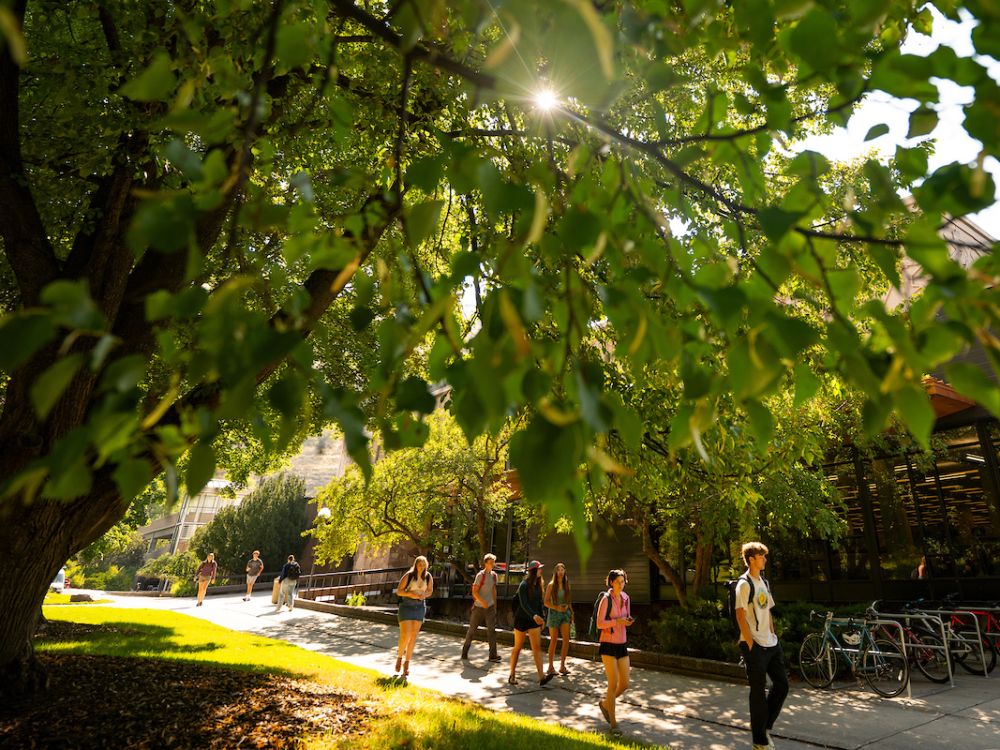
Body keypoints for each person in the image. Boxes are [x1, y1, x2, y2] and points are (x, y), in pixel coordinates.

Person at [735, 542, 788, 750]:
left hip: (771, 643)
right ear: (751, 559)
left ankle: (764, 726)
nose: (765, 559)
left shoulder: (763, 581)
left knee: (782, 685)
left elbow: (768, 611)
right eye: (761, 556)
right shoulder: (744, 584)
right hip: (754, 645)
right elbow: (740, 614)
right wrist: (750, 642)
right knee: (758, 691)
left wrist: (773, 634)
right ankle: (759, 740)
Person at [596, 568, 633, 735]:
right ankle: (613, 724)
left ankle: (605, 704)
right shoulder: (606, 599)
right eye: (618, 581)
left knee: (625, 684)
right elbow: (599, 623)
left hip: (621, 644)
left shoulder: (626, 598)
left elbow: (625, 618)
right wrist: (617, 622)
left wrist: (627, 621)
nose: (621, 584)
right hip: (608, 644)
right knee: (613, 683)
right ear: (611, 582)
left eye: (623, 581)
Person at [509, 560, 555, 687]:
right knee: (517, 647)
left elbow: (539, 604)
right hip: (522, 619)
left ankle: (542, 677)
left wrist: (542, 618)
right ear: (534, 571)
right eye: (539, 569)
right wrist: (534, 616)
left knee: (537, 648)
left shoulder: (539, 585)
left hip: (534, 620)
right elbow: (523, 604)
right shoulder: (523, 585)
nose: (541, 570)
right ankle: (512, 674)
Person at [396, 555, 433, 677]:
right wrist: (410, 594)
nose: (421, 566)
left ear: (426, 566)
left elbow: (430, 590)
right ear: (416, 564)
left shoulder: (428, 577)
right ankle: (399, 657)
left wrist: (424, 595)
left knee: (413, 636)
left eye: (424, 564)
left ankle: (407, 663)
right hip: (406, 606)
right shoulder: (409, 575)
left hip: (419, 607)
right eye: (419, 564)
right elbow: (399, 591)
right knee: (405, 634)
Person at [461, 553, 501, 663]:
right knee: (472, 630)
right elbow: (474, 592)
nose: (492, 564)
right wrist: (482, 602)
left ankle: (493, 655)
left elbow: (493, 590)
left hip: (490, 607)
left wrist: (495, 604)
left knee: (492, 631)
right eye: (490, 562)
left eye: (493, 562)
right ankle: (464, 652)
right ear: (485, 563)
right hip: (479, 608)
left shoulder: (494, 576)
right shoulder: (480, 575)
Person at [544, 562, 573, 675]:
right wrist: (556, 608)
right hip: (554, 614)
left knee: (566, 639)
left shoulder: (567, 584)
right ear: (555, 572)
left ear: (565, 571)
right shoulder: (551, 585)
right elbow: (546, 602)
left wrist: (572, 612)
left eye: (562, 570)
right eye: (558, 570)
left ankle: (562, 666)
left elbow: (569, 600)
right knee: (554, 640)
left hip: (565, 614)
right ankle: (550, 667)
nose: (561, 572)